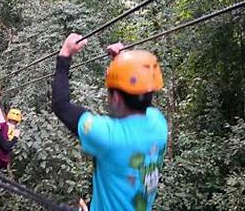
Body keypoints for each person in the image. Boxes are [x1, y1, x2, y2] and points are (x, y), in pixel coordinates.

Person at [52, 33, 167, 211]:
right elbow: (140, 92)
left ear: (116, 99)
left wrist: (65, 53)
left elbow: (61, 105)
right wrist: (121, 63)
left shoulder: (106, 135)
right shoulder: (158, 123)